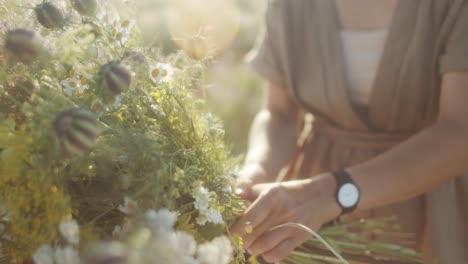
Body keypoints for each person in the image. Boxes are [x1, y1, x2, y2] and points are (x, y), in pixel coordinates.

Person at [230, 0, 468, 263]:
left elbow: (459, 130)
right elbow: (280, 113)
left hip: (431, 202)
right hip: (312, 213)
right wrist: (258, 169)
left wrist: (328, 194)